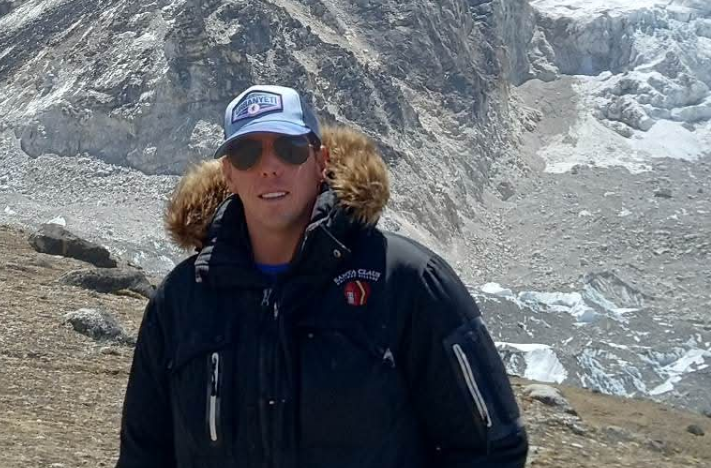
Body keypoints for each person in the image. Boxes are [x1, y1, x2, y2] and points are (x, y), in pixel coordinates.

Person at [116, 83, 528, 468]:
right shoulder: (182, 299)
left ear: (320, 161)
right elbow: (144, 455)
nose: (269, 167)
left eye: (290, 148)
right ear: (228, 173)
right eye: (247, 154)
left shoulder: (406, 280)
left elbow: (492, 448)